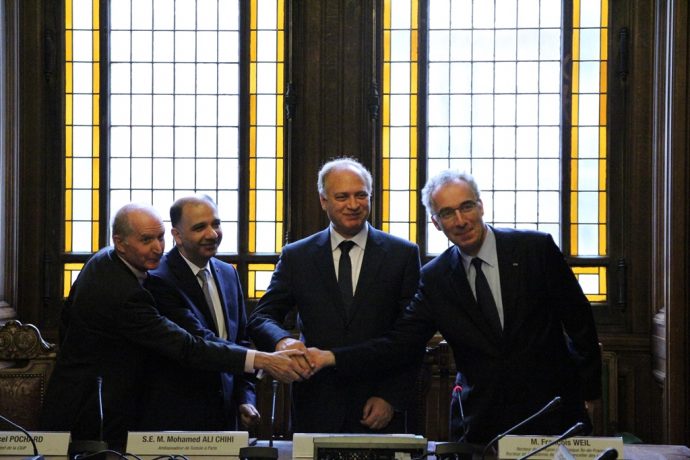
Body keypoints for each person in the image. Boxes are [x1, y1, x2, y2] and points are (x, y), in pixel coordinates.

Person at [308, 169, 602, 444]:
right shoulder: (435, 278)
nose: (460, 220)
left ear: (481, 206)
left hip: (553, 413)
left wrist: (588, 392)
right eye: (447, 213)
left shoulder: (534, 249)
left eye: (467, 207)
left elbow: (579, 321)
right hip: (481, 424)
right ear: (436, 222)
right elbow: (399, 344)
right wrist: (331, 357)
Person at [41, 203, 308, 449]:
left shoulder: (106, 261)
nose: (158, 248)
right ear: (119, 243)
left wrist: (244, 394)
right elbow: (187, 346)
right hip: (94, 416)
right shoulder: (126, 291)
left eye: (159, 238)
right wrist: (264, 360)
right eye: (146, 240)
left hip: (98, 405)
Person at [248, 157, 422, 433]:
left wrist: (392, 397)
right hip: (316, 403)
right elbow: (262, 316)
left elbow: (411, 338)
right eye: (342, 197)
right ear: (323, 201)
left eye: (360, 195)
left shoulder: (402, 255)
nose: (353, 205)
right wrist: (281, 341)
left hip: (379, 404)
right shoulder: (297, 256)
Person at [138, 195, 260, 431]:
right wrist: (264, 360)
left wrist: (246, 399)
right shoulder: (159, 279)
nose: (212, 234)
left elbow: (240, 341)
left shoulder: (228, 273)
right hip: (178, 423)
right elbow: (199, 342)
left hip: (226, 420)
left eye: (215, 224)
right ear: (177, 236)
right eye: (199, 227)